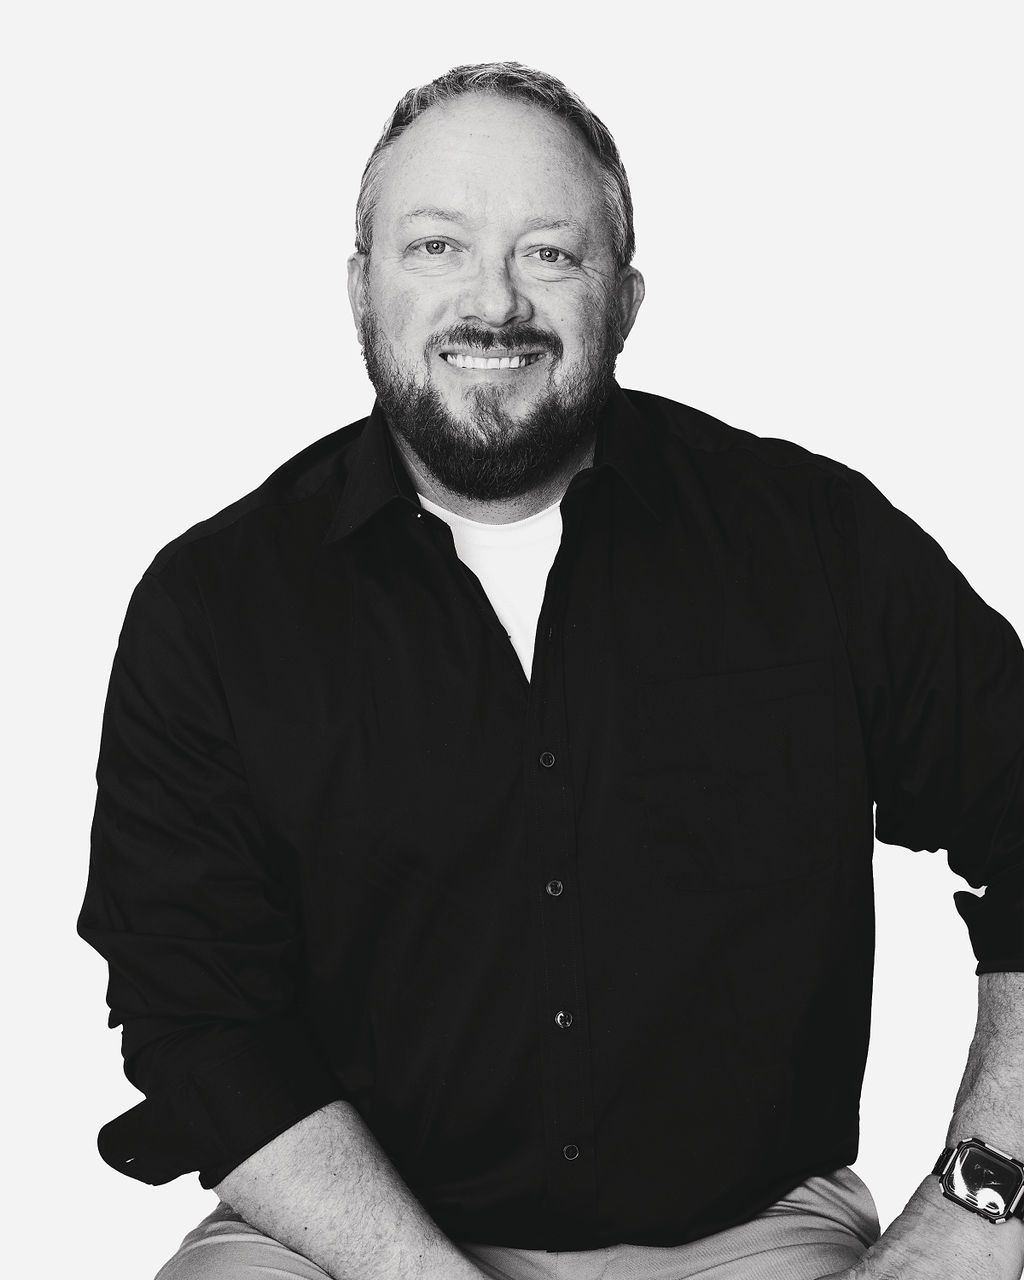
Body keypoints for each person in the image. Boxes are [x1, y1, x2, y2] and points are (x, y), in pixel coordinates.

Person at [78, 61, 1024, 1280]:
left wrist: (981, 1205)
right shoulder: (211, 607)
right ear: (360, 286)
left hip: (747, 1234)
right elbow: (199, 1018)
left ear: (623, 295)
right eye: (435, 245)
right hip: (345, 1240)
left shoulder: (813, 543)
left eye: (548, 253)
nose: (493, 302)